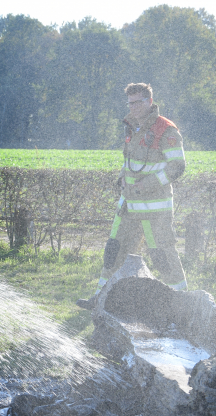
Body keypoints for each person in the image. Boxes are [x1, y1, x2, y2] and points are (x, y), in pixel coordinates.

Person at [77, 83, 187, 310]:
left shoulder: (165, 130)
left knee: (163, 258)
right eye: (130, 103)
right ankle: (100, 300)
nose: (133, 107)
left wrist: (146, 185)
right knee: (113, 252)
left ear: (149, 101)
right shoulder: (131, 126)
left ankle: (183, 304)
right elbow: (130, 161)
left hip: (155, 210)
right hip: (128, 206)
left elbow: (177, 167)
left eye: (137, 102)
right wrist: (121, 178)